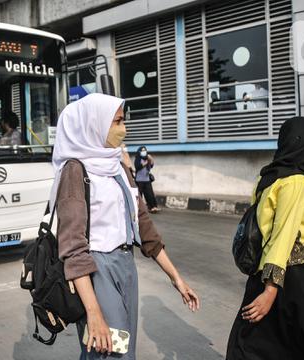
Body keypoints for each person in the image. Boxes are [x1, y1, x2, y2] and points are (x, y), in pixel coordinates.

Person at [51, 93, 200, 359]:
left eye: (123, 121)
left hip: (125, 265)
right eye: (117, 122)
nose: (124, 129)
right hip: (96, 270)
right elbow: (72, 248)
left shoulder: (119, 165)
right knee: (110, 351)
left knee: (122, 348)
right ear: (94, 124)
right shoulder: (75, 170)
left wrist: (176, 278)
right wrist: (94, 312)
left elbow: (143, 226)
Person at [226, 117, 304, 360]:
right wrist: (271, 290)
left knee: (253, 344)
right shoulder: (296, 181)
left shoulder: (267, 177)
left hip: (260, 272)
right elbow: (283, 236)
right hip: (295, 279)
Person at [133, 146, 159, 213]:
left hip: (147, 180)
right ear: (139, 152)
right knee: (139, 195)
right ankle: (138, 208)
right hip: (139, 180)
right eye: (142, 150)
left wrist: (151, 158)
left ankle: (152, 207)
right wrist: (145, 163)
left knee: (150, 194)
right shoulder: (137, 159)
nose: (144, 152)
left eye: (145, 150)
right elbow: (137, 167)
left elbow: (152, 165)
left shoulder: (148, 159)